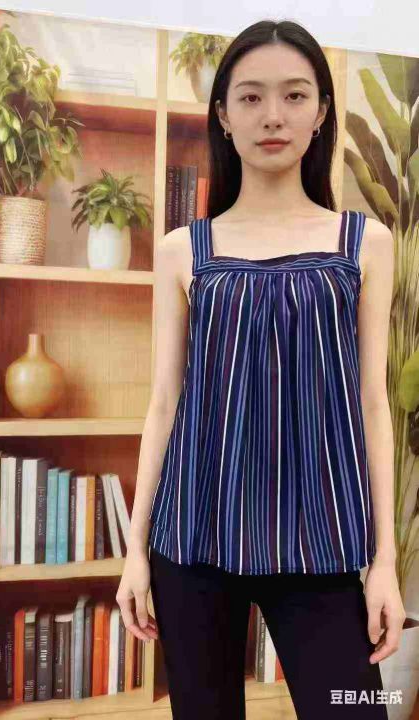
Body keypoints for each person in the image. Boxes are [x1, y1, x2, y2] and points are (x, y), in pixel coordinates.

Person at [116, 18, 406, 719]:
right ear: (222, 114)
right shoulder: (182, 250)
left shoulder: (365, 243)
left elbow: (373, 402)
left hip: (322, 540)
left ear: (321, 111)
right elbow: (164, 401)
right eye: (250, 97)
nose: (272, 115)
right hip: (192, 538)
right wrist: (135, 552)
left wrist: (385, 563)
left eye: (294, 95)